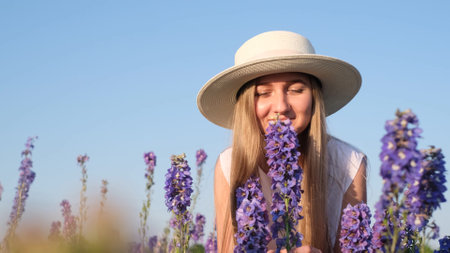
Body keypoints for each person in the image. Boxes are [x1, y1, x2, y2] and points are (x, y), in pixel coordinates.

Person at [197, 31, 367, 253]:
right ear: (247, 103)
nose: (280, 106)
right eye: (263, 93)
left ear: (314, 96)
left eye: (296, 90)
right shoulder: (230, 163)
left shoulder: (348, 163)